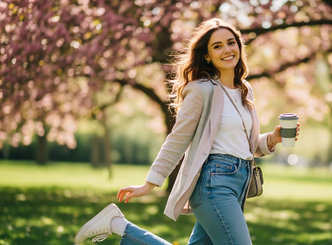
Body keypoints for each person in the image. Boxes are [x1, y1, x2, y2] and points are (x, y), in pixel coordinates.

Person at [75, 18, 299, 245]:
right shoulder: (201, 90)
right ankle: (119, 226)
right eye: (217, 46)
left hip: (239, 181)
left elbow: (243, 144)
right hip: (214, 183)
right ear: (207, 56)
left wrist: (273, 139)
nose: (227, 50)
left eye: (231, 43)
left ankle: (119, 225)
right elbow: (178, 139)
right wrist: (150, 183)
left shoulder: (245, 90)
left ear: (239, 47)